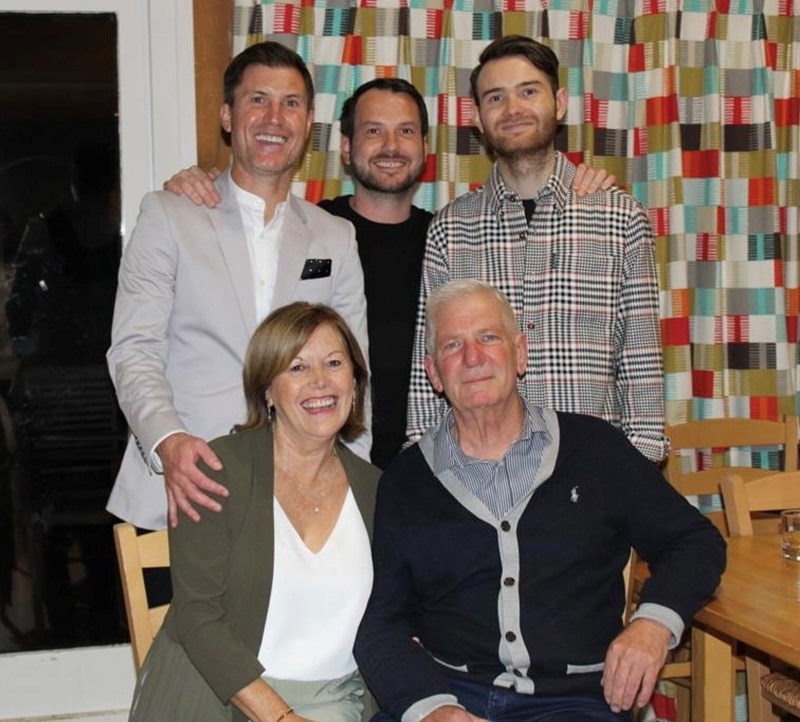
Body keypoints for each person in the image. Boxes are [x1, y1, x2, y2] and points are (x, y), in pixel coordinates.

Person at [166, 76, 613, 469]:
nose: (391, 146)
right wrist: (205, 186)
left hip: (433, 468)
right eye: (373, 131)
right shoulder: (309, 233)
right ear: (346, 147)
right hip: (321, 461)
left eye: (406, 131)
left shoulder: (453, 241)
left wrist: (582, 189)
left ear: (425, 148)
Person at [354, 280, 725, 722]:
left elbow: (695, 541)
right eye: (453, 345)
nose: (472, 357)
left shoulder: (595, 449)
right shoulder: (406, 480)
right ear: (433, 373)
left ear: (520, 353)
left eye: (488, 337)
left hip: (577, 701)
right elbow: (382, 623)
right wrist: (433, 709)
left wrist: (653, 624)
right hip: (451, 694)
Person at [106, 41, 370, 531]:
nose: (275, 118)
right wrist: (169, 442)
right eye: (258, 100)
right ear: (227, 115)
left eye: (291, 103)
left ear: (308, 122)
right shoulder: (169, 216)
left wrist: (353, 489)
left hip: (300, 504)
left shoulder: (336, 237)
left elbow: (354, 375)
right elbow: (134, 350)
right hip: (182, 491)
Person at [405, 35, 667, 464]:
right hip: (481, 475)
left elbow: (640, 363)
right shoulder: (450, 230)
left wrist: (637, 470)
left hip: (590, 471)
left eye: (528, 92)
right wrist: (424, 465)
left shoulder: (620, 219)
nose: (513, 109)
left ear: (559, 103)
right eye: (496, 97)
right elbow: (429, 364)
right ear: (477, 116)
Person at [128, 302, 380, 722]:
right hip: (216, 696)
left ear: (354, 382)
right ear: (267, 391)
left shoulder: (377, 490)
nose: (320, 381)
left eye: (334, 363)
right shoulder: (216, 471)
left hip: (337, 704)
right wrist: (282, 717)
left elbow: (393, 621)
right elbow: (197, 616)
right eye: (297, 367)